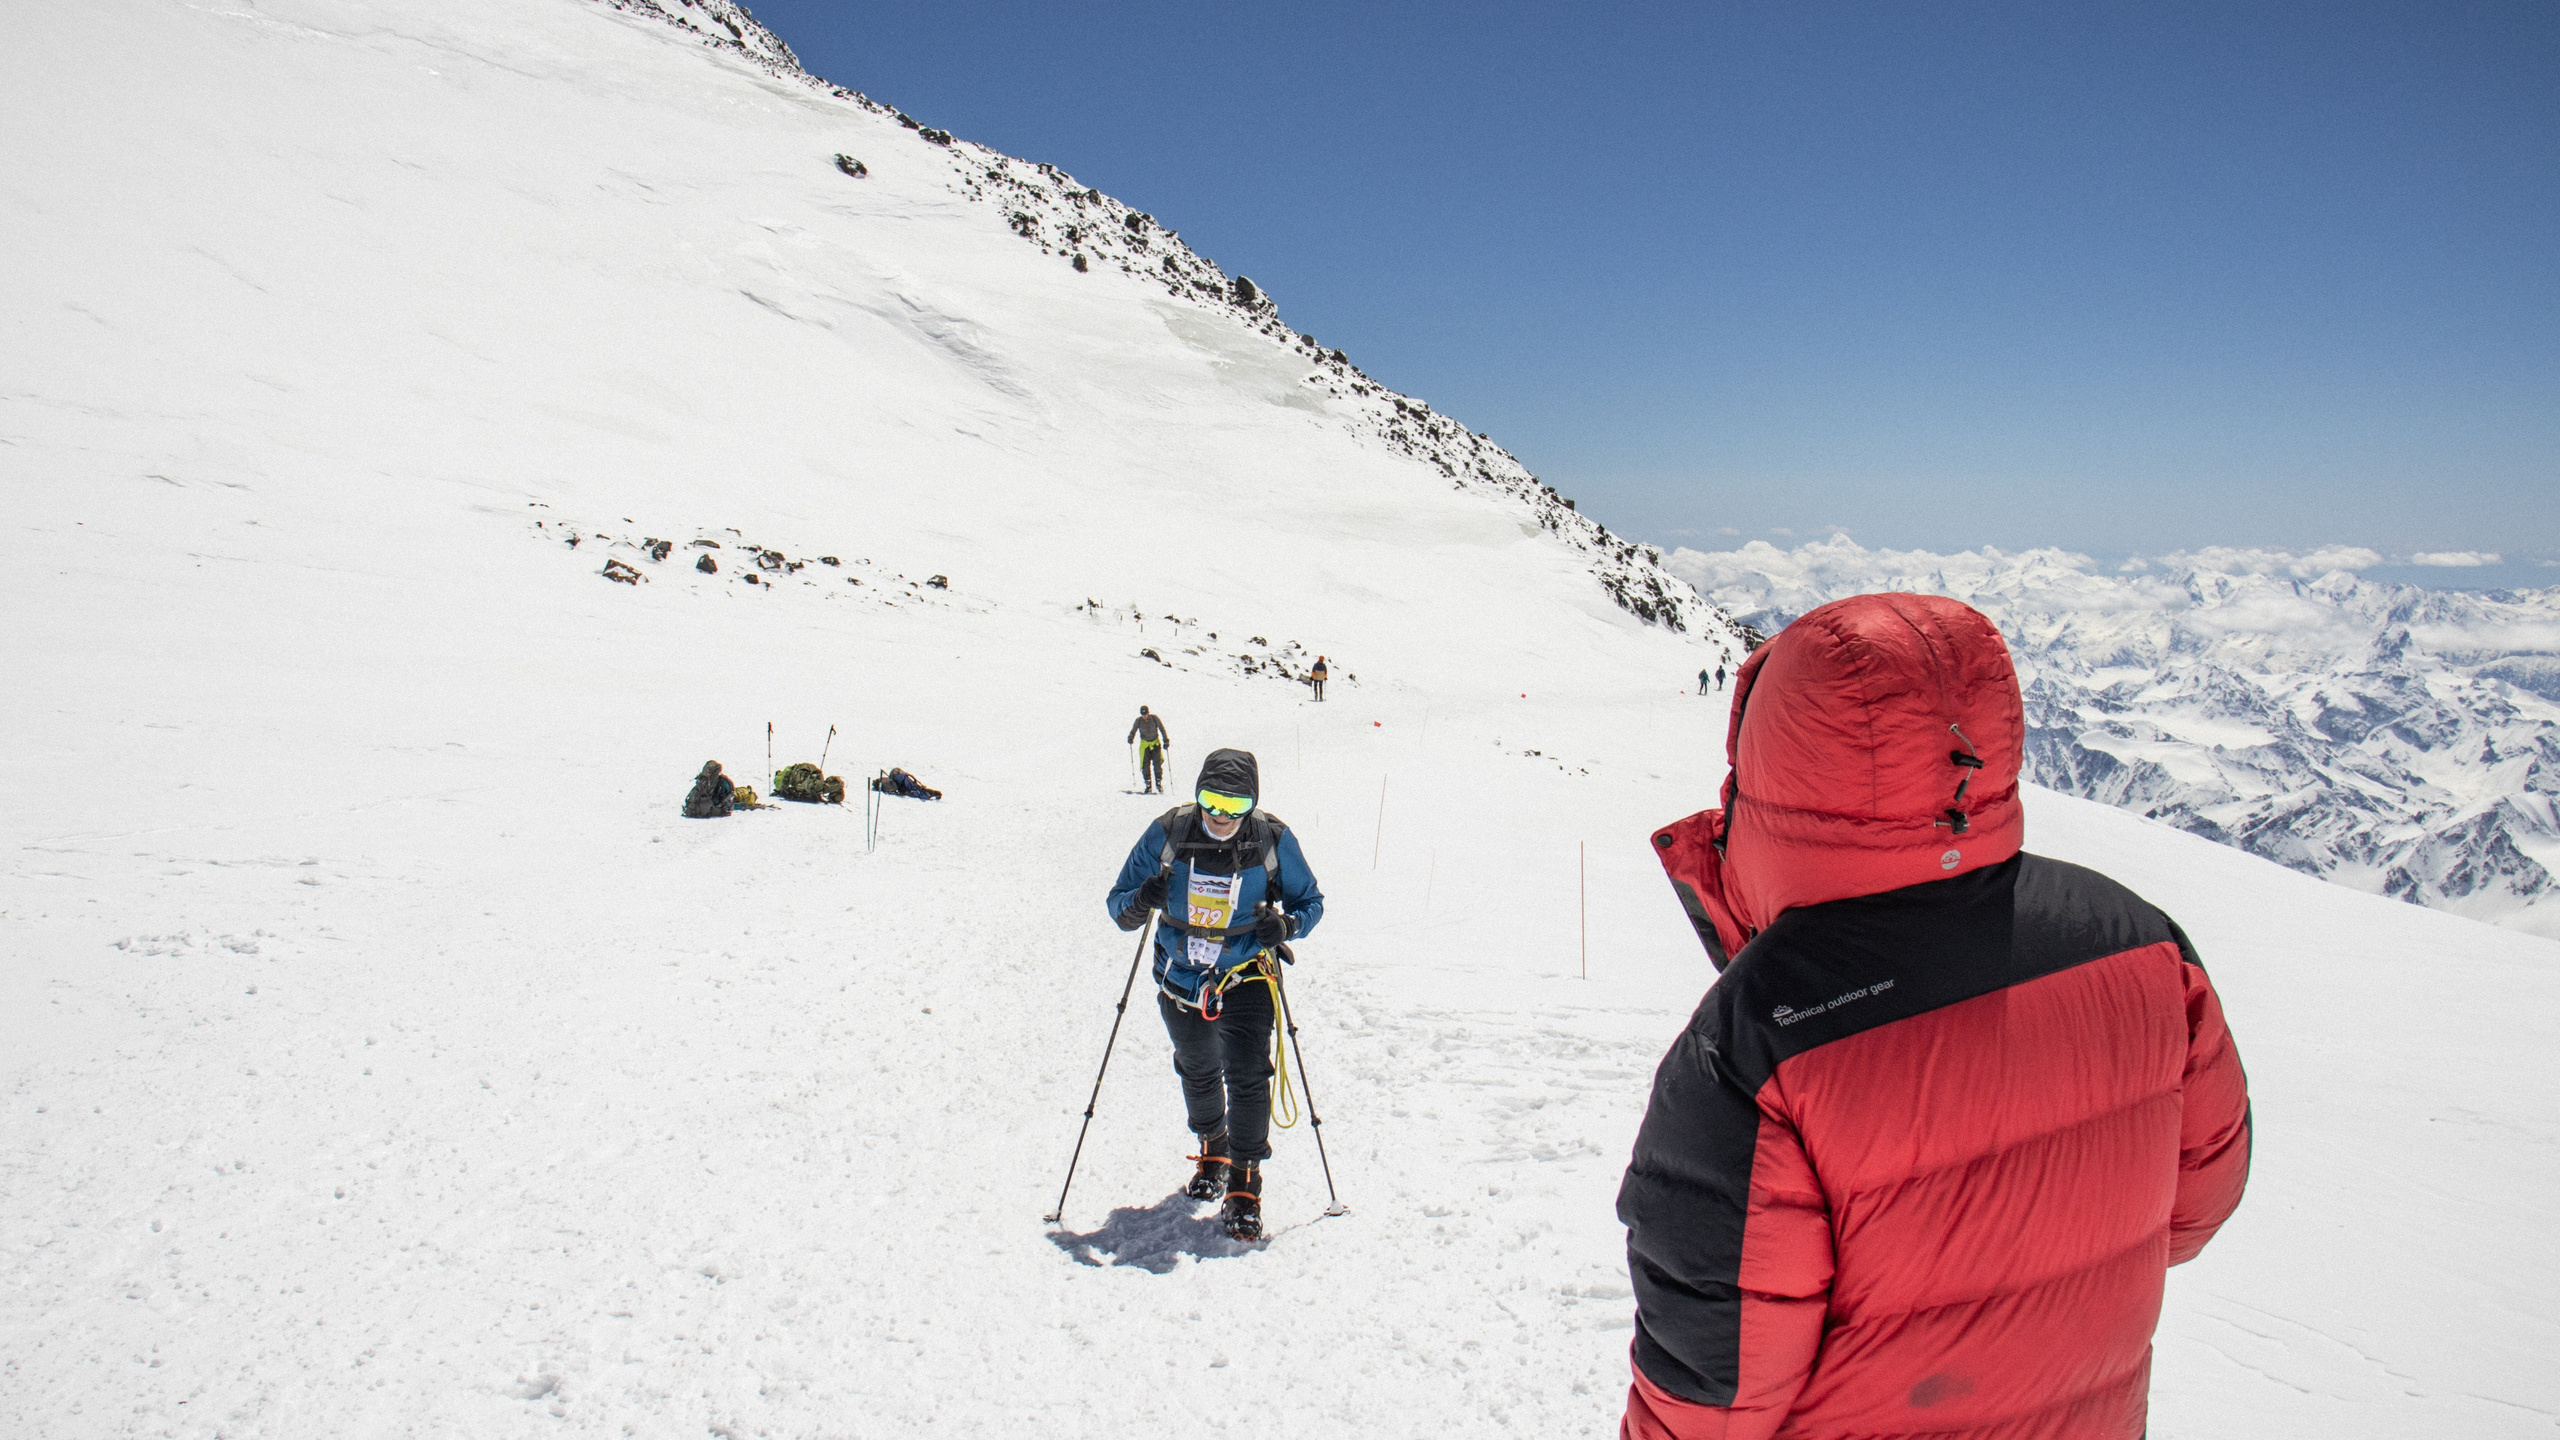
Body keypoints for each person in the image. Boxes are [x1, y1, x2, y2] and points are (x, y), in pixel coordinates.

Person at [1621, 592, 2250, 1440]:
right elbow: (2195, 1208)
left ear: (1774, 758)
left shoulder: (1753, 1043)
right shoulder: (2140, 940)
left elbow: (1712, 1395)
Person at [1104, 747, 1325, 1240]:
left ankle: (1245, 1184)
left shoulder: (1272, 839)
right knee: (1197, 1066)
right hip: (1181, 974)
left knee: (1248, 1074)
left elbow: (1310, 901)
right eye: (1211, 800)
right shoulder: (1169, 833)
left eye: (1235, 805)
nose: (1221, 815)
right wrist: (1142, 899)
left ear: (1253, 804)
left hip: (1247, 973)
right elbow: (1119, 908)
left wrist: (1285, 926)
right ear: (1196, 795)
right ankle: (1214, 1149)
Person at [1128, 705, 1171, 794]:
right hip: (1145, 746)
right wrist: (1131, 737)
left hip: (1155, 744)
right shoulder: (1138, 721)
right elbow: (1134, 730)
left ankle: (1158, 784)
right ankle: (1148, 786)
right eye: (1143, 714)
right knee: (1145, 766)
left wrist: (1166, 740)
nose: (1144, 716)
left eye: (1146, 714)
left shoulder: (1155, 719)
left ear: (1148, 713)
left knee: (1157, 765)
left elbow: (1162, 729)